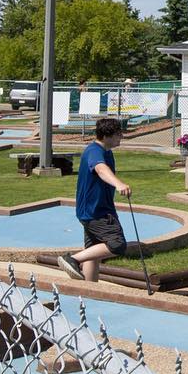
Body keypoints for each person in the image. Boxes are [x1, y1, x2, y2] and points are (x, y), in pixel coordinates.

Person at [57, 118, 131, 281]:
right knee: (117, 244)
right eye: (118, 134)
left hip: (92, 210)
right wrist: (119, 184)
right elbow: (100, 168)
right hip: (97, 211)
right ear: (106, 136)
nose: (121, 137)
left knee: (92, 251)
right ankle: (72, 259)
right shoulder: (94, 151)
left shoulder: (106, 151)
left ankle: (89, 291)